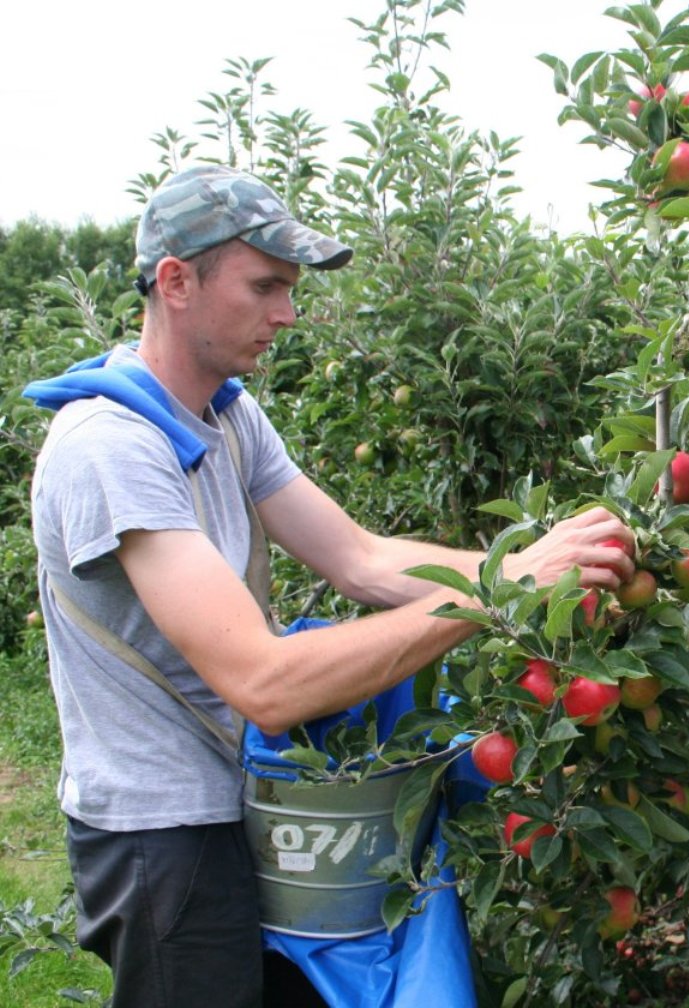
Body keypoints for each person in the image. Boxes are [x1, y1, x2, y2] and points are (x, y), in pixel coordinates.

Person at [24, 164, 635, 1008]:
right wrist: (504, 592)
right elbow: (265, 684)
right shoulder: (110, 445)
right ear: (176, 281)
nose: (287, 314)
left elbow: (362, 560)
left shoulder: (227, 416)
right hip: (159, 837)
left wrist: (547, 564)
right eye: (266, 286)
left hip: (247, 804)